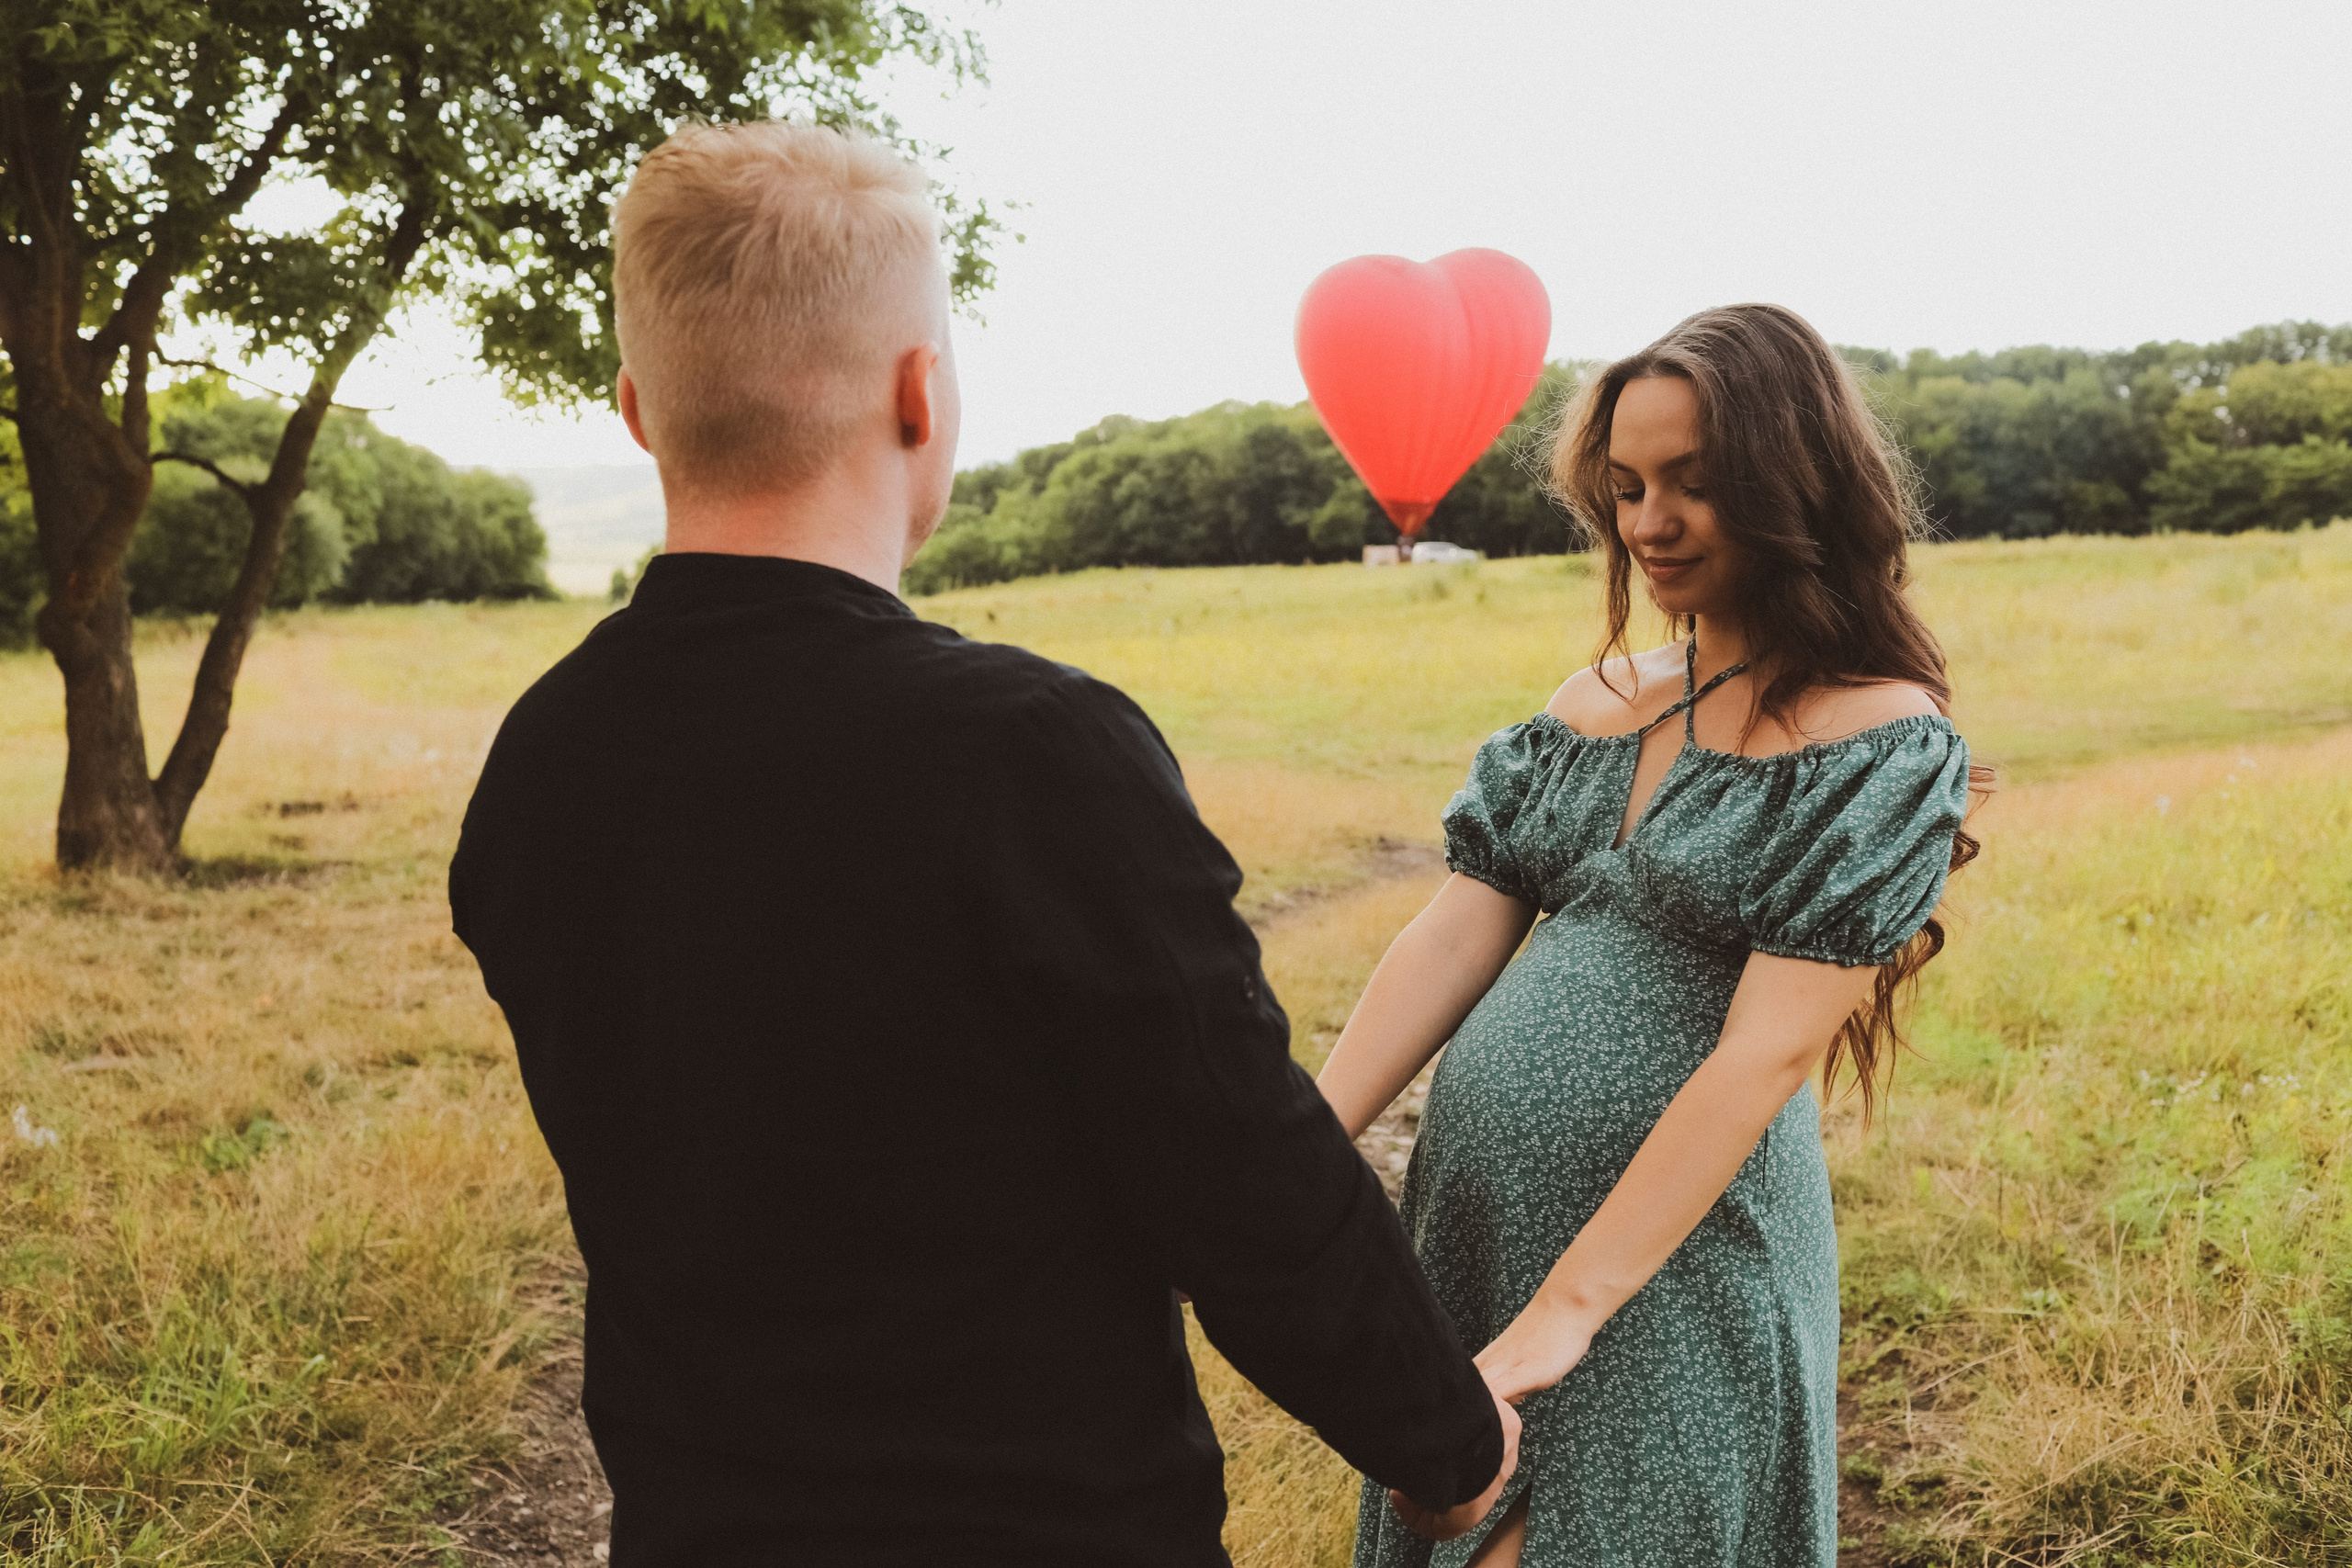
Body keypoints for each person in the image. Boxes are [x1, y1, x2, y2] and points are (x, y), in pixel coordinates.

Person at [447, 120, 1515, 1567]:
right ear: (921, 392)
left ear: (639, 411)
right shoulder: (1031, 752)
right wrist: (1446, 1445)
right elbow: (1241, 1176)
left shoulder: (542, 756)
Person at [1318, 305, 1984, 1568]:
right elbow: (1452, 941)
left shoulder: (1878, 739)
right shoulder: (1594, 707)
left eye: (1694, 483)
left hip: (1672, 1267)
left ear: (1792, 483)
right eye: (1625, 488)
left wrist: (1568, 1312)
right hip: (1480, 1233)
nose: (1648, 523)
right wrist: (1297, 1147)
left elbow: (1764, 1056)